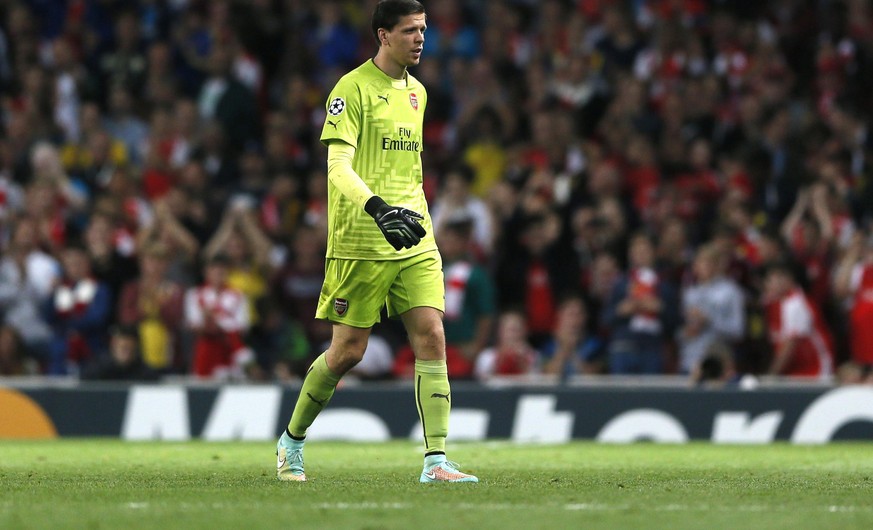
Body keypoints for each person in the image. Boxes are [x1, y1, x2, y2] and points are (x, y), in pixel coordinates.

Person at [276, 0, 477, 484]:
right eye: (409, 30)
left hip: (413, 234)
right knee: (348, 351)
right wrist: (378, 208)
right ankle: (292, 440)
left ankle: (436, 461)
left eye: (423, 29)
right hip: (362, 238)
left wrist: (413, 214)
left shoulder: (419, 93)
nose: (420, 38)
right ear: (383, 36)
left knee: (432, 334)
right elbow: (337, 167)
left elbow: (410, 168)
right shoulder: (351, 89)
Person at [762, 262, 833, 379]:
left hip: (815, 368)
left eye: (773, 279)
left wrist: (771, 375)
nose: (769, 284)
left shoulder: (795, 304)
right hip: (797, 368)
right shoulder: (776, 302)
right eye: (768, 280)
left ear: (788, 279)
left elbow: (789, 345)